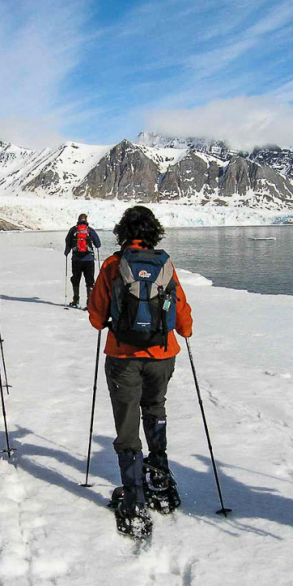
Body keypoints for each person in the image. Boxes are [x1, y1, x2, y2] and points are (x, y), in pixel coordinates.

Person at [88, 205, 193, 539]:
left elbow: (95, 315)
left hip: (122, 357)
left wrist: (109, 320)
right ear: (153, 233)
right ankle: (160, 476)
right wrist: (184, 331)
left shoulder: (112, 265)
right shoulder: (164, 264)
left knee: (127, 422)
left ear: (122, 232)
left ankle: (133, 497)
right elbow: (181, 310)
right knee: (155, 407)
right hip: (163, 354)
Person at [64, 213, 101, 308]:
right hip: (89, 259)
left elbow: (67, 241)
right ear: (86, 220)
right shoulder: (90, 230)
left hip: (76, 259)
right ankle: (89, 302)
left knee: (76, 279)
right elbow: (98, 244)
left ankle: (76, 300)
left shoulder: (73, 230)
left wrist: (67, 251)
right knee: (89, 280)